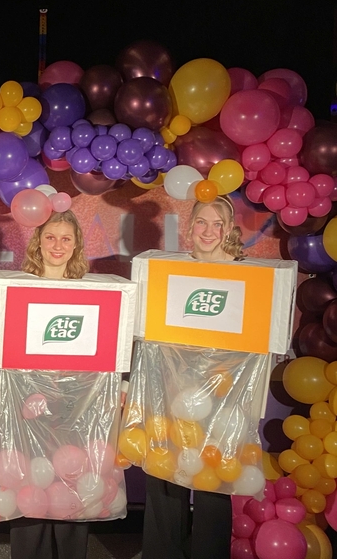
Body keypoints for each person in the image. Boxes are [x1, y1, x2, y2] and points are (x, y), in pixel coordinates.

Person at [0, 210, 101, 559]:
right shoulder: (17, 288)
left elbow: (108, 348)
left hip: (75, 403)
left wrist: (121, 389)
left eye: (66, 239)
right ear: (38, 242)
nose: (58, 245)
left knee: (71, 478)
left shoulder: (94, 292)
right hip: (26, 402)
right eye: (50, 237)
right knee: (27, 480)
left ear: (76, 245)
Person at [140, 195, 244, 559]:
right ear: (190, 226)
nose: (209, 231)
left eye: (218, 224)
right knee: (165, 475)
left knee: (213, 480)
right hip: (172, 387)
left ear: (230, 230)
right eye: (202, 222)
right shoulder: (171, 272)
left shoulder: (248, 276)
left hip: (223, 395)